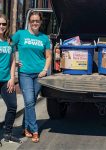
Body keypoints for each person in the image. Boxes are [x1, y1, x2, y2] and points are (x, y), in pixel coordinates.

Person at [12, 11, 52, 142]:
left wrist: (45, 70)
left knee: (31, 102)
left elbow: (48, 56)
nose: (35, 23)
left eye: (37, 21)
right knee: (29, 101)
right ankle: (34, 129)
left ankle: (25, 127)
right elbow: (8, 46)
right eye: (32, 20)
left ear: (41, 22)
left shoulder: (44, 38)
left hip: (39, 75)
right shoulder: (20, 34)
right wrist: (15, 61)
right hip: (25, 74)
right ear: (29, 22)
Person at [0, 14, 22, 143]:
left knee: (12, 106)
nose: (1, 26)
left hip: (6, 79)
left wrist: (12, 78)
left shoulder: (9, 41)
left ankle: (7, 133)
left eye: (3, 24)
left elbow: (13, 60)